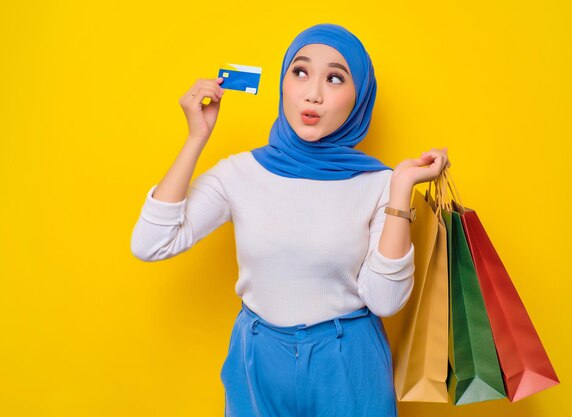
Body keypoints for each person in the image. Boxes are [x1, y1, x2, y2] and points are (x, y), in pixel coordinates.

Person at [131, 23, 450, 417]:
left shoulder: (380, 183)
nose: (312, 94)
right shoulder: (240, 174)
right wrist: (197, 137)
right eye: (300, 72)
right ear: (283, 82)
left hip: (347, 361)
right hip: (258, 359)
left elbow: (385, 301)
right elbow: (150, 243)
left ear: (360, 97)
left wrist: (401, 188)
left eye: (335, 78)